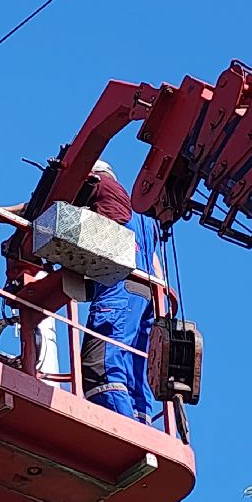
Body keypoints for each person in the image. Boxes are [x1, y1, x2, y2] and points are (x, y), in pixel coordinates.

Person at [77, 161, 156, 423]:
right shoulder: (144, 217)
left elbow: (51, 211)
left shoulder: (101, 186)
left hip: (119, 286)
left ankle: (122, 430)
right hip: (147, 293)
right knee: (134, 373)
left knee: (100, 366)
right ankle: (142, 429)